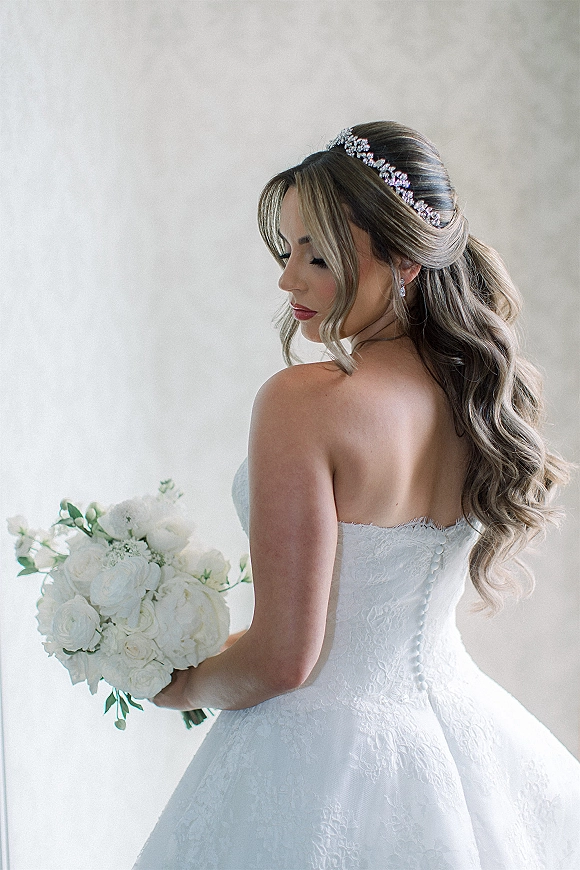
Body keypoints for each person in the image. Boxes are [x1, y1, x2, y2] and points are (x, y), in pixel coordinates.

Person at [133, 122, 579, 869]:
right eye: (287, 251)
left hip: (311, 763)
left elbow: (285, 658)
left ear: (403, 258)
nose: (288, 279)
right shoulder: (475, 400)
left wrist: (179, 685)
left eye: (316, 253)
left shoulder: (303, 401)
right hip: (467, 739)